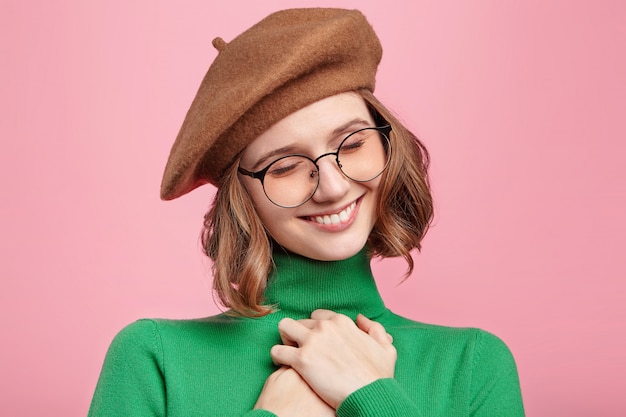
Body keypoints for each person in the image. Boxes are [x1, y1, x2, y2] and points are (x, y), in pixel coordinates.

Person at [88, 8, 524, 417]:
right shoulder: (154, 358)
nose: (333, 187)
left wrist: (369, 396)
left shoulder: (473, 364)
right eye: (287, 167)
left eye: (353, 144)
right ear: (241, 195)